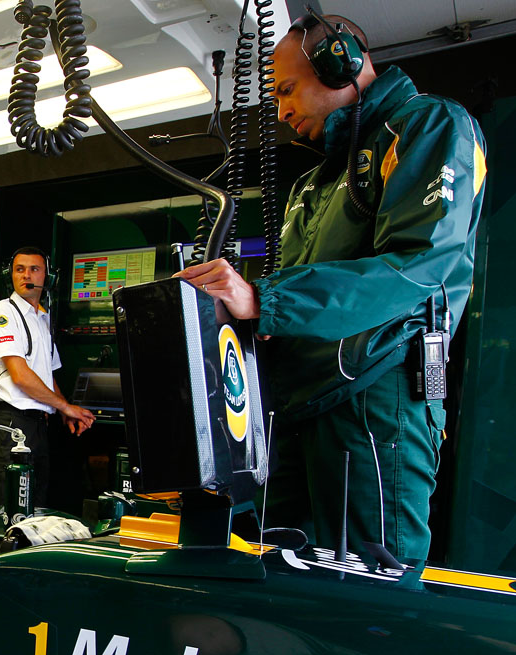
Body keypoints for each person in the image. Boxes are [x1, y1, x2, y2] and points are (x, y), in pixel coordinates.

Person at [176, 13, 486, 564]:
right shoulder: (312, 182)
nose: (281, 111)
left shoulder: (428, 126)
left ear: (340, 63)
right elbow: (284, 299)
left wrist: (265, 301)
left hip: (376, 399)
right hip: (296, 404)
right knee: (273, 571)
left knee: (370, 593)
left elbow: (420, 265)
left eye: (286, 90)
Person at [0, 247, 95, 507]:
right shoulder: (3, 313)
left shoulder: (43, 318)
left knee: (35, 500)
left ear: (48, 277)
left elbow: (46, 375)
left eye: (34, 269)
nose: (26, 275)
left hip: (37, 424)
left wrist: (63, 411)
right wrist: (65, 406)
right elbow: (21, 376)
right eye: (19, 269)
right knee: (14, 505)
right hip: (11, 421)